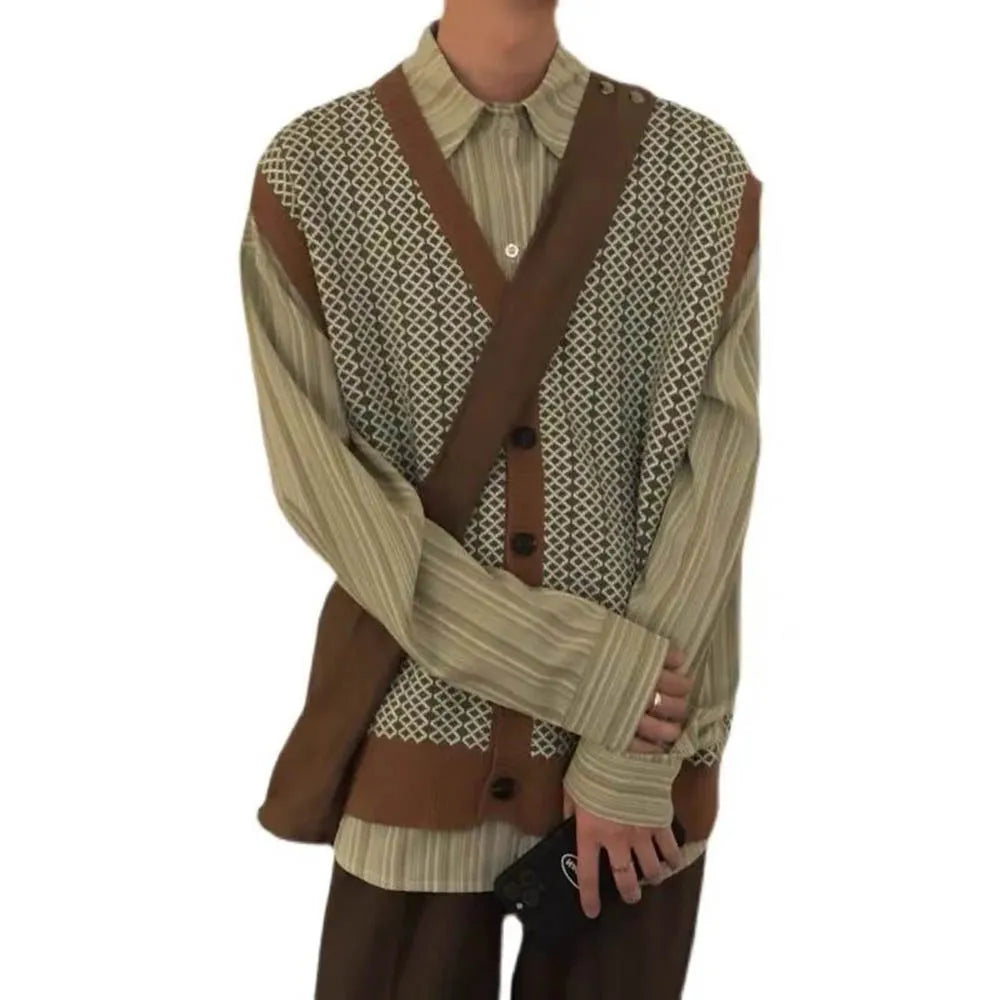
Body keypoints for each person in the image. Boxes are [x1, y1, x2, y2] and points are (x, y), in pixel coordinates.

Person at [238, 1, 761, 996]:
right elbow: (329, 493)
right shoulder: (314, 178)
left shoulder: (698, 177)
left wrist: (628, 748)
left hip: (638, 781)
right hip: (415, 750)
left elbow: (715, 486)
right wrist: (595, 676)